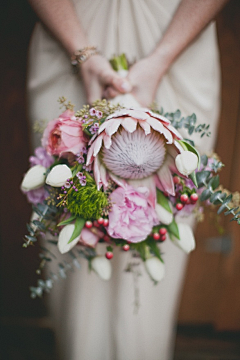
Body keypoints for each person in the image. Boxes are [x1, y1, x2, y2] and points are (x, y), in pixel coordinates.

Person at [27, 1, 228, 359]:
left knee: (165, 217)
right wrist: (84, 55)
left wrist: (159, 61)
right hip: (70, 30)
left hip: (177, 36)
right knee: (66, 221)